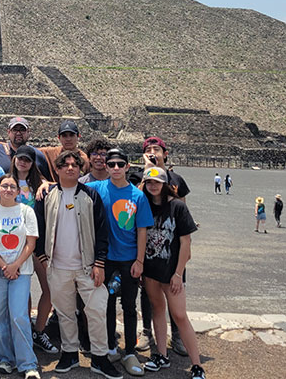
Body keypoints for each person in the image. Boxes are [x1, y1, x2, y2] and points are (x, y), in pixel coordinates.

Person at [34, 150, 121, 379]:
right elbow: (38, 229)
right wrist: (43, 258)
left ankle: (99, 357)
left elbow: (102, 232)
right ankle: (70, 353)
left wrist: (99, 263)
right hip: (58, 266)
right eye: (66, 164)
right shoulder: (47, 196)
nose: (70, 168)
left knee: (96, 312)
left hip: (87, 265)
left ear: (81, 168)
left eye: (75, 164)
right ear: (59, 169)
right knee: (65, 313)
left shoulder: (91, 196)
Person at [85, 149, 152, 377]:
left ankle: (130, 351)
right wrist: (46, 185)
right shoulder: (98, 188)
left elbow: (142, 230)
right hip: (107, 259)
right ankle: (112, 346)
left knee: (130, 306)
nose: (114, 168)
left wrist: (140, 261)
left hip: (129, 259)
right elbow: (71, 185)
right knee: (108, 304)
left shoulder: (138, 196)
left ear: (127, 167)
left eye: (119, 164)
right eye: (111, 164)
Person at [139, 167, 205, 379]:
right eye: (149, 183)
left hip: (171, 271)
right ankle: (161, 354)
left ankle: (196, 364)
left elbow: (186, 242)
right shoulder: (144, 206)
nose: (153, 186)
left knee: (179, 315)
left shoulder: (177, 207)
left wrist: (178, 273)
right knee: (157, 310)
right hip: (151, 270)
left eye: (157, 182)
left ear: (165, 183)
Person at [129, 137, 191, 356]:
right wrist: (148, 170)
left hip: (171, 248)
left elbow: (182, 210)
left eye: (157, 149)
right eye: (148, 149)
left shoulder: (176, 179)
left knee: (174, 293)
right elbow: (134, 201)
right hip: (147, 247)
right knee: (147, 294)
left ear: (165, 153)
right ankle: (147, 331)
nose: (153, 152)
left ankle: (177, 335)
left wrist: (161, 170)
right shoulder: (138, 177)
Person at [0, 174, 41, 379]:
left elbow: (31, 243)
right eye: (4, 186)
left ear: (18, 191)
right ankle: (5, 358)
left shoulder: (26, 211)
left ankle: (27, 363)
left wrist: (15, 265)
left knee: (18, 315)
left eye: (12, 187)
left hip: (21, 271)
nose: (8, 189)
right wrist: (4, 266)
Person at [10, 145, 57, 354]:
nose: (23, 162)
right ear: (14, 159)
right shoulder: (6, 182)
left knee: (50, 288)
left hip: (37, 243)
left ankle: (39, 330)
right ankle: (25, 331)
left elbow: (63, 185)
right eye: (20, 158)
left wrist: (47, 183)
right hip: (13, 244)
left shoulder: (41, 184)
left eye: (27, 160)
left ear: (33, 163)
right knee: (23, 290)